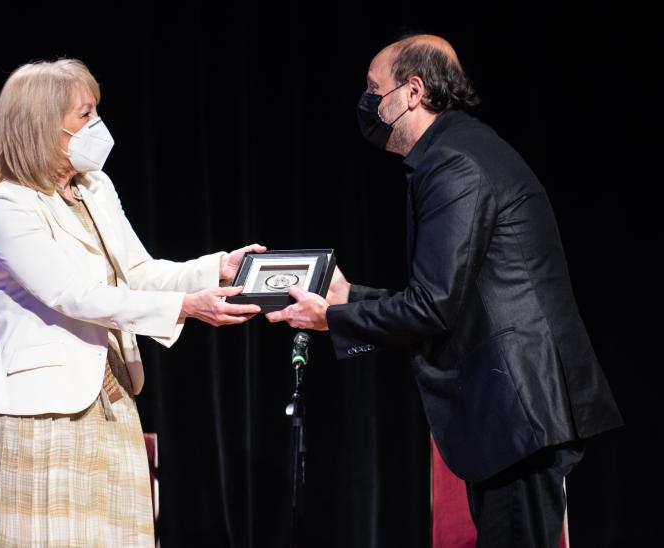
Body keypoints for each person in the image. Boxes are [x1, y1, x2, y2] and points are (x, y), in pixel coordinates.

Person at [266, 35, 623, 547]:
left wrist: (333, 319)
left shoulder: (454, 163)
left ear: (413, 91)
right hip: (514, 412)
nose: (366, 101)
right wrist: (349, 296)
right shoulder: (458, 150)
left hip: (517, 411)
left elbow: (432, 307)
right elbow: (448, 295)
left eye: (374, 88)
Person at [0, 58, 263, 547]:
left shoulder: (95, 189)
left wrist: (216, 268)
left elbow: (138, 273)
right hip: (45, 410)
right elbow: (72, 295)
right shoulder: (7, 205)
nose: (96, 126)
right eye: (84, 115)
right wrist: (185, 308)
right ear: (44, 126)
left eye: (95, 111)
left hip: (112, 394)